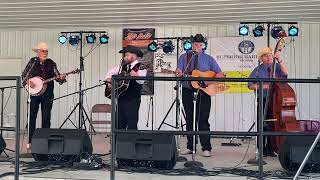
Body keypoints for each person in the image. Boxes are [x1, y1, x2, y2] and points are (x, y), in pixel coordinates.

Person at [176, 34, 224, 157]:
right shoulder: (184, 57)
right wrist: (178, 73)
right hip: (187, 91)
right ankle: (190, 147)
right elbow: (179, 72)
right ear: (192, 45)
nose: (197, 46)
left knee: (203, 120)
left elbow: (220, 75)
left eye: (200, 44)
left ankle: (206, 148)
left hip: (204, 91)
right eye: (195, 44)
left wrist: (208, 82)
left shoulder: (209, 59)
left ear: (203, 46)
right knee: (190, 119)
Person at [21, 42, 66, 148]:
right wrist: (28, 82)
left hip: (48, 94)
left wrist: (61, 78)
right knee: (31, 117)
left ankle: (45, 141)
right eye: (42, 51)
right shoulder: (32, 62)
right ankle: (30, 141)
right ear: (38, 52)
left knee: (46, 117)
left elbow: (57, 76)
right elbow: (24, 75)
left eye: (46, 51)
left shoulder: (51, 63)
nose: (45, 53)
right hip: (33, 94)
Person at [248, 47, 288, 156]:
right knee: (261, 124)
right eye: (266, 55)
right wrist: (262, 86)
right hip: (263, 99)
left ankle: (272, 148)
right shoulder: (257, 70)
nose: (269, 57)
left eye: (270, 55)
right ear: (261, 58)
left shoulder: (277, 66)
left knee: (273, 124)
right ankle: (261, 149)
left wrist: (279, 59)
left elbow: (286, 73)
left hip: (275, 100)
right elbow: (250, 85)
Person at [104, 45, 147, 130]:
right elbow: (110, 73)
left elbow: (140, 80)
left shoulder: (141, 67)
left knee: (132, 124)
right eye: (125, 55)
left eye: (127, 55)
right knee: (119, 124)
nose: (125, 57)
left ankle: (131, 142)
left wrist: (132, 71)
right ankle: (119, 143)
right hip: (121, 99)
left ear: (134, 56)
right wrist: (109, 80)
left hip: (132, 100)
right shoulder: (122, 67)